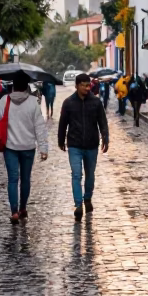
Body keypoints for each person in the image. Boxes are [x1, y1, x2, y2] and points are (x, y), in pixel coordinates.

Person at [0, 69, 48, 223]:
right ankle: (23, 208)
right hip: (28, 147)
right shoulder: (33, 102)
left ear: (13, 85)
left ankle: (14, 211)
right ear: (26, 86)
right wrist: (43, 148)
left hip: (10, 147)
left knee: (12, 179)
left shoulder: (4, 100)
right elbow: (40, 127)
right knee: (25, 179)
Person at [58, 72, 109, 222]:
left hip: (92, 144)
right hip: (74, 144)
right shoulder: (68, 103)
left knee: (90, 174)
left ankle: (87, 198)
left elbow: (103, 122)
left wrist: (105, 138)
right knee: (76, 174)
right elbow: (63, 123)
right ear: (77, 86)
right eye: (84, 85)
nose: (87, 88)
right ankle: (78, 205)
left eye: (89, 85)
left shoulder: (96, 102)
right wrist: (61, 140)